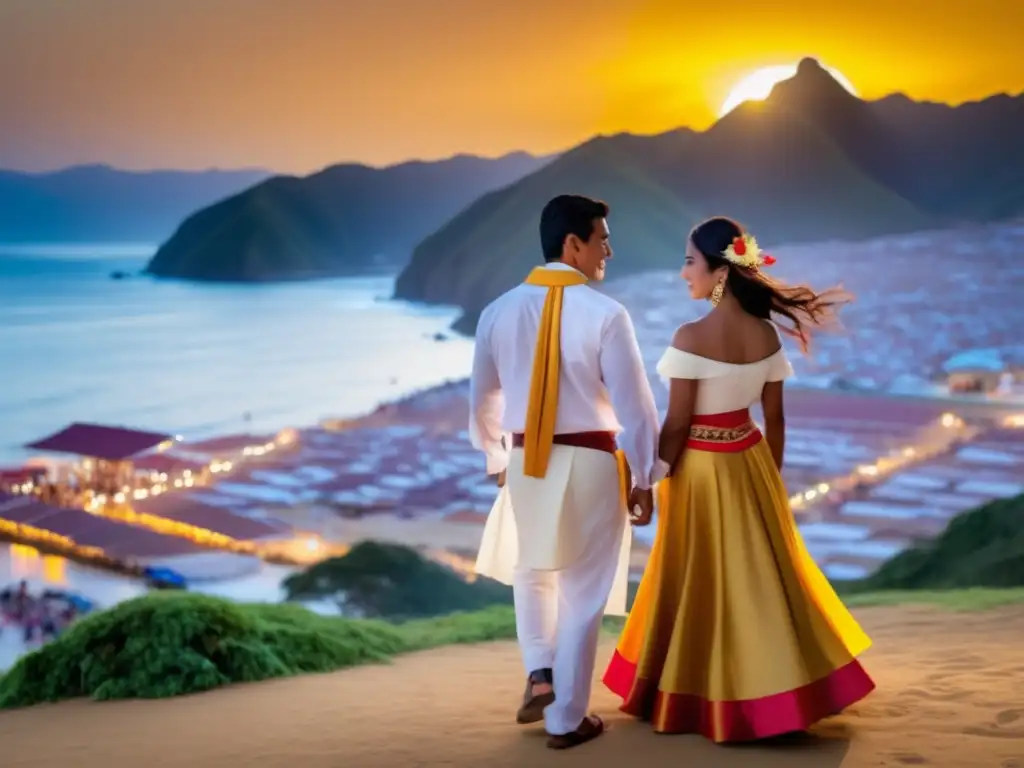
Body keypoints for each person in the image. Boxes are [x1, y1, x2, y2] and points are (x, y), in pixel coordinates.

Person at [603, 216, 875, 743]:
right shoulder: (766, 334)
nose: (684, 273)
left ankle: (691, 692)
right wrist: (768, 480)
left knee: (696, 578)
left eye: (689, 261)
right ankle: (783, 691)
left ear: (718, 271)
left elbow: (678, 423)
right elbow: (776, 420)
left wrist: (649, 477)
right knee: (758, 582)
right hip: (751, 460)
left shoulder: (690, 336)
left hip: (700, 472)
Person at [470, 194, 664, 749]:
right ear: (572, 243)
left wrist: (495, 458)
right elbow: (636, 407)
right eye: (602, 237)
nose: (610, 248)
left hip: (526, 459)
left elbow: (483, 398)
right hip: (591, 461)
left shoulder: (497, 311)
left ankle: (539, 670)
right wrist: (646, 477)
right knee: (584, 591)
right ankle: (566, 719)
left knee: (533, 570)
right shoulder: (606, 314)